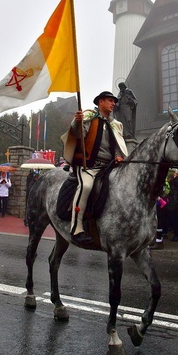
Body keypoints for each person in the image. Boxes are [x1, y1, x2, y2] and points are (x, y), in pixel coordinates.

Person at [61, 91, 128, 244]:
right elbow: (78, 135)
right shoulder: (88, 117)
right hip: (88, 166)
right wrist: (77, 122)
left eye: (114, 101)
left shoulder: (116, 124)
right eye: (110, 101)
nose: (113, 104)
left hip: (109, 167)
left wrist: (119, 156)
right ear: (101, 102)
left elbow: (119, 145)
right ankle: (76, 228)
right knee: (86, 186)